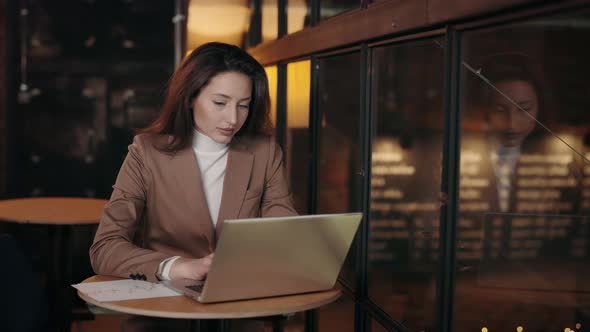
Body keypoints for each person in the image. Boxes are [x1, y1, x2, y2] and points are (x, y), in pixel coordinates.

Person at [90, 42, 297, 330]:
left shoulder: (265, 152)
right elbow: (105, 248)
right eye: (220, 103)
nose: (233, 119)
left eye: (244, 105)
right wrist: (175, 266)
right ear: (190, 98)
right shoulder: (146, 153)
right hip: (164, 316)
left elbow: (284, 230)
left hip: (240, 315)